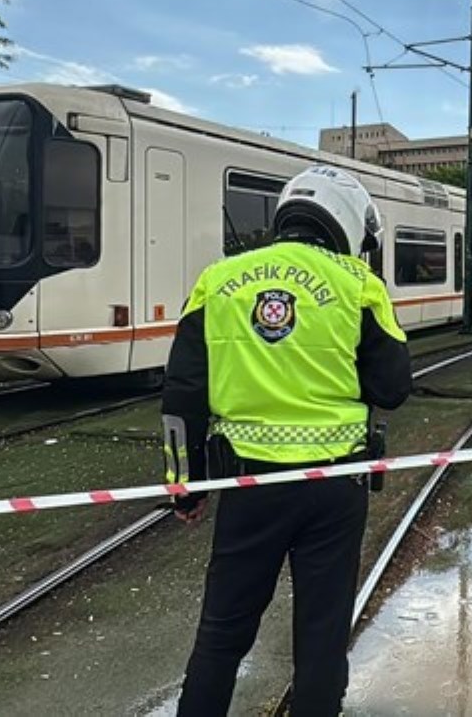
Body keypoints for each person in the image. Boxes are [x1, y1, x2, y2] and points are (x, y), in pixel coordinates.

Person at [162, 164, 412, 715]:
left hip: (248, 484)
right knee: (322, 639)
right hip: (334, 487)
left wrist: (186, 485)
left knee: (222, 633)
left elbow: (181, 395)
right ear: (346, 221)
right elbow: (393, 388)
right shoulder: (359, 284)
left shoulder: (217, 280)